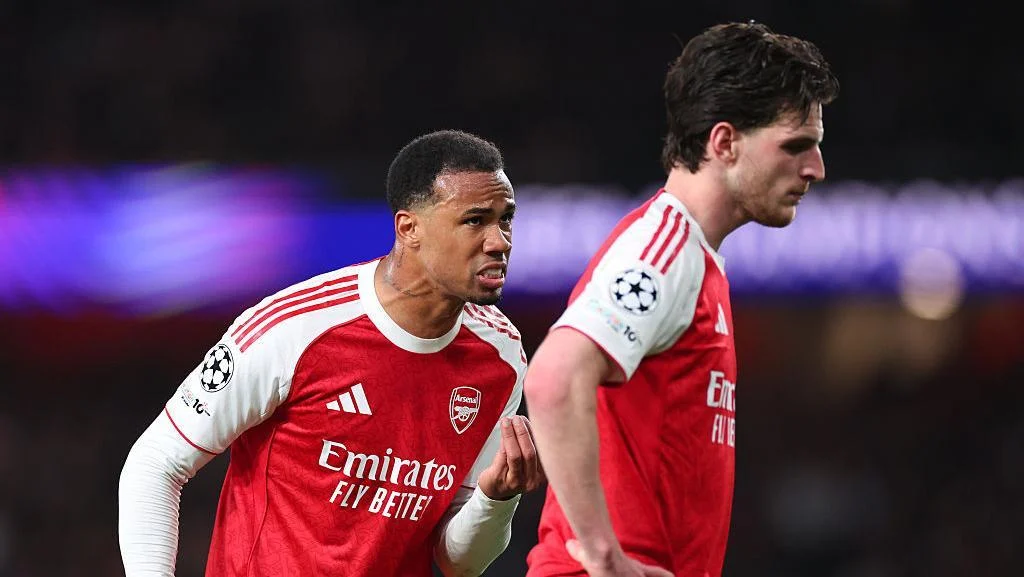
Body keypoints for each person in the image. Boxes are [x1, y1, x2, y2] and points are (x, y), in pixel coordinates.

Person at [118, 129, 545, 576]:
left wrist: (496, 499)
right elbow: (157, 462)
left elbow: (459, 563)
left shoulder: (500, 354)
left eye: (506, 219)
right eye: (475, 220)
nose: (500, 241)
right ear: (409, 228)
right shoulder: (296, 326)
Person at [524, 22, 840, 577]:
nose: (815, 168)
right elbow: (552, 377)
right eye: (795, 145)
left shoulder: (694, 258)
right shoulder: (664, 249)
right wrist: (602, 555)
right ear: (725, 143)